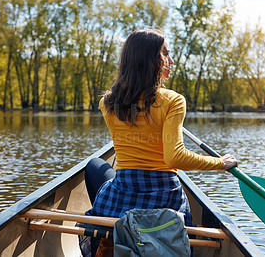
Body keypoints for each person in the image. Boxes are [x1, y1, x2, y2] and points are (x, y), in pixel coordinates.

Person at [80, 28, 238, 255]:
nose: (171, 61)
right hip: (164, 196)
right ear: (150, 60)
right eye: (165, 54)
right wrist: (220, 163)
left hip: (125, 188)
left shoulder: (107, 102)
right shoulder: (173, 100)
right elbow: (174, 157)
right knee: (99, 167)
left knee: (95, 165)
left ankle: (110, 240)